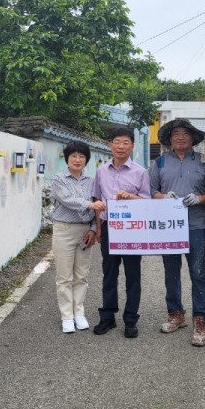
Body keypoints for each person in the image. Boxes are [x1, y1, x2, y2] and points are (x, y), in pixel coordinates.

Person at [149, 118, 205, 347]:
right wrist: (164, 197)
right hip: (169, 228)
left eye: (185, 133)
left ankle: (200, 320)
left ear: (192, 138)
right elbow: (152, 192)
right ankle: (176, 314)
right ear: (169, 138)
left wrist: (199, 198)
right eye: (176, 133)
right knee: (171, 272)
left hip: (195, 226)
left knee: (198, 274)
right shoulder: (160, 163)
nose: (180, 137)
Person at [92, 127, 151, 338]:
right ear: (110, 145)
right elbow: (97, 201)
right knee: (109, 274)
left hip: (132, 230)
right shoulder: (101, 171)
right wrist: (99, 228)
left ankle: (130, 319)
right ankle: (107, 317)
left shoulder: (140, 172)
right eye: (117, 142)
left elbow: (147, 202)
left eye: (125, 142)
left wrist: (130, 197)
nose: (121, 146)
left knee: (133, 275)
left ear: (132, 146)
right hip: (109, 228)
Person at [51, 140, 106, 334]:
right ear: (67, 158)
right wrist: (90, 205)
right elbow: (67, 200)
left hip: (85, 232)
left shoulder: (92, 181)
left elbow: (97, 207)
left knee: (81, 275)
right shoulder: (59, 179)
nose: (77, 159)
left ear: (87, 160)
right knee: (64, 277)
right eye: (73, 156)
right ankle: (66, 316)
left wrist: (93, 228)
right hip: (64, 230)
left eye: (81, 156)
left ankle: (79, 313)